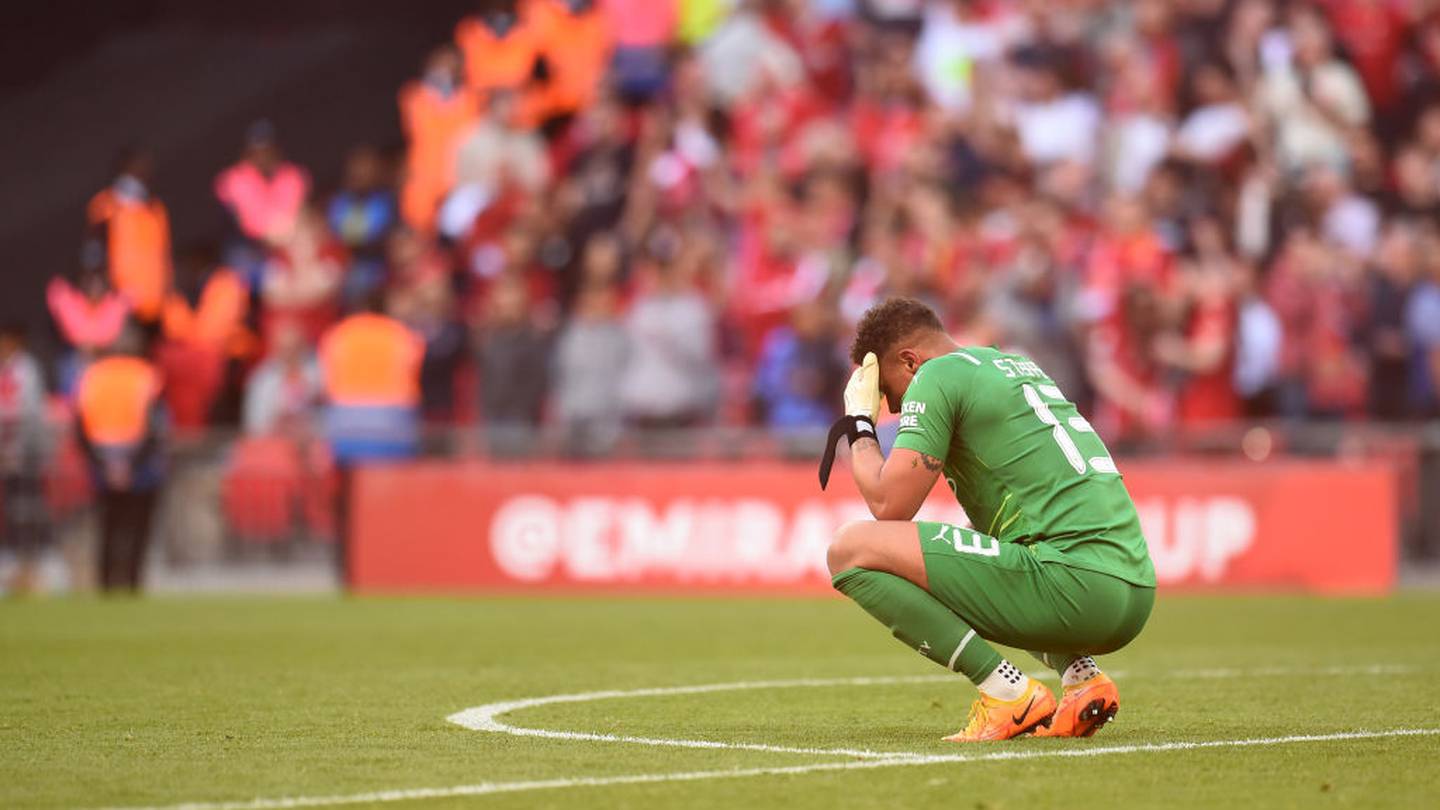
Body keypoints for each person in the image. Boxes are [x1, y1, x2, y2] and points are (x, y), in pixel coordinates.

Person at [819, 298, 1155, 742]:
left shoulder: (935, 375)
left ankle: (1007, 693)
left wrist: (860, 424)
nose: (895, 409)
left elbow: (889, 505)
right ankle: (1081, 678)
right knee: (970, 547)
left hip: (1077, 587)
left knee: (848, 549)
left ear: (910, 361)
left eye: (891, 394)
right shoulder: (1010, 364)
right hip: (1134, 588)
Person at [74, 332, 166, 593]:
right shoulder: (146, 375)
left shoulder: (93, 375)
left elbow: (80, 426)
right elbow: (154, 427)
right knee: (138, 526)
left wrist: (104, 464)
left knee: (108, 525)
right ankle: (132, 582)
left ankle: (105, 582)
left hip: (101, 458)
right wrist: (129, 465)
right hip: (140, 461)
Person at [0, 325, 51, 594]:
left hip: (26, 455)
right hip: (6, 454)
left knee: (27, 513)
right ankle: (13, 571)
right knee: (10, 514)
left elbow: (29, 413)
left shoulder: (26, 371)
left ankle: (29, 570)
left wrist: (19, 450)